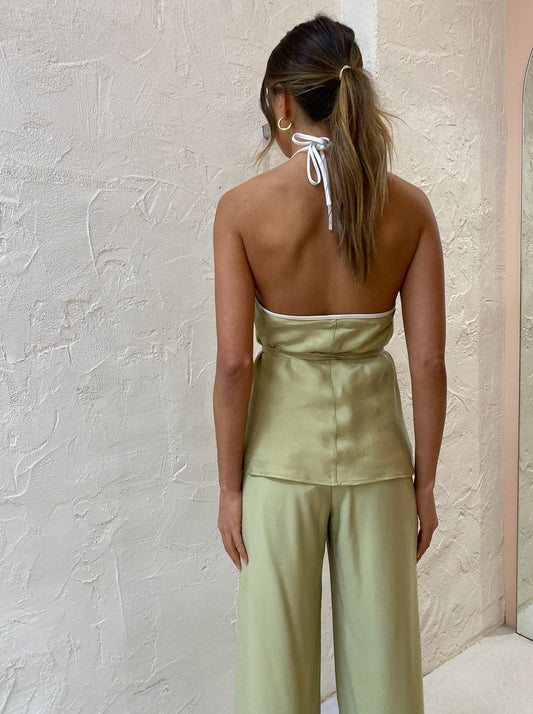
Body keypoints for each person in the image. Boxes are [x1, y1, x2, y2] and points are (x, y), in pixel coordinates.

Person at [212, 13, 446, 714]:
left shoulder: (241, 210)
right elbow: (428, 361)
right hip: (378, 461)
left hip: (279, 461)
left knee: (274, 672)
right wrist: (425, 485)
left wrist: (229, 489)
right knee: (384, 667)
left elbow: (234, 365)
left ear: (282, 102)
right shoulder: (409, 208)